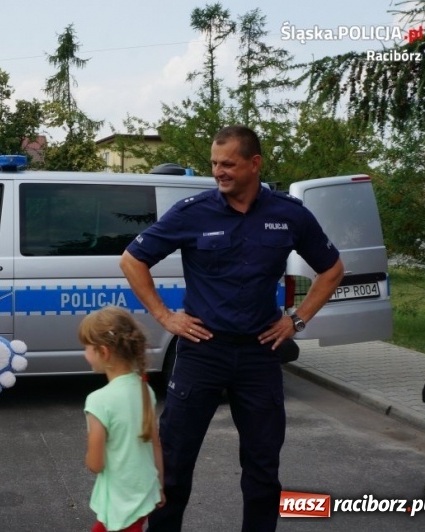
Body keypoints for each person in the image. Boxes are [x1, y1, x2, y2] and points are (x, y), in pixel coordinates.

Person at [119, 125, 344, 532]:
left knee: (262, 467)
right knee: (174, 464)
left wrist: (296, 320)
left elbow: (332, 269)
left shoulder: (289, 214)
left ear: (254, 164)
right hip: (202, 351)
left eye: (228, 164)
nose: (218, 172)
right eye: (214, 164)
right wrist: (166, 316)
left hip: (260, 354)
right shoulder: (193, 211)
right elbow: (132, 260)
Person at [79, 305, 165, 532]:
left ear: (103, 351)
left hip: (121, 501)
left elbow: (95, 464)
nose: (83, 353)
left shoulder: (98, 400)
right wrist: (160, 487)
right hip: (144, 492)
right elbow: (155, 443)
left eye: (86, 347)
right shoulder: (145, 388)